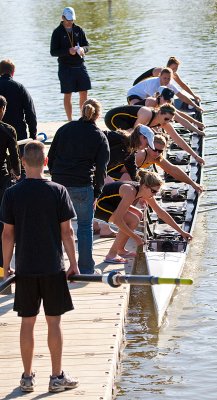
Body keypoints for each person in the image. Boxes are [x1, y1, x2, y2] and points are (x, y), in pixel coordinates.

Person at [0, 141, 80, 393]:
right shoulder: (58, 190)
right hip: (53, 267)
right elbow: (67, 233)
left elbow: (7, 236)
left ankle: (26, 377)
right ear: (46, 162)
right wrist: (74, 264)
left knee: (27, 323)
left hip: (25, 268)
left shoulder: (11, 193)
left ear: (23, 162)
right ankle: (56, 377)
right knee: (53, 323)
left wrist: (6, 267)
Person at [48, 99, 110, 274]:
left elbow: (51, 157)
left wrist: (55, 177)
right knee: (84, 226)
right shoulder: (99, 136)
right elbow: (101, 170)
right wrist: (97, 193)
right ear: (98, 115)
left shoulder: (64, 129)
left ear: (81, 110)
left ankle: (55, 267)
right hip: (82, 185)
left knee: (55, 227)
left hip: (58, 184)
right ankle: (85, 269)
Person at [95, 170, 193, 264]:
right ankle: (111, 255)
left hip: (111, 203)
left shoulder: (144, 191)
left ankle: (120, 249)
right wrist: (136, 238)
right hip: (98, 205)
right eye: (154, 191)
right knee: (132, 220)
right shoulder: (130, 191)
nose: (155, 194)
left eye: (157, 192)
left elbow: (161, 213)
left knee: (137, 216)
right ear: (145, 187)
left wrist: (182, 232)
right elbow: (118, 221)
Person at [94, 124, 156, 237]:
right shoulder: (117, 138)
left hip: (98, 170)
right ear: (142, 137)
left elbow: (134, 173)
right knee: (111, 189)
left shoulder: (130, 151)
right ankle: (104, 228)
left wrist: (142, 193)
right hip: (88, 167)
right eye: (147, 144)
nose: (146, 147)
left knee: (111, 186)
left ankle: (96, 225)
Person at [104, 103, 205, 165]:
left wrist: (195, 156)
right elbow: (135, 134)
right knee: (130, 138)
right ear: (160, 112)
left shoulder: (163, 121)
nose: (167, 122)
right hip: (113, 117)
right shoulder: (147, 114)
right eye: (166, 119)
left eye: (170, 120)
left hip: (128, 122)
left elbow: (178, 139)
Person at [107, 134, 204, 194]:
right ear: (149, 146)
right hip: (110, 172)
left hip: (122, 174)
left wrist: (192, 184)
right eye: (155, 149)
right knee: (132, 179)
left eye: (160, 151)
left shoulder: (157, 158)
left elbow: (173, 170)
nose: (156, 153)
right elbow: (125, 172)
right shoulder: (141, 155)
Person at [50, 7, 91, 121]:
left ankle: (84, 119)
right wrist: (68, 51)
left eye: (71, 20)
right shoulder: (57, 32)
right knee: (68, 94)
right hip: (65, 67)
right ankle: (70, 120)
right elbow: (53, 52)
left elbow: (87, 46)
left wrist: (83, 49)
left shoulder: (78, 29)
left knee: (84, 92)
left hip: (80, 65)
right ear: (62, 18)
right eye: (67, 20)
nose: (70, 22)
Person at [0, 95, 21, 267]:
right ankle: (2, 270)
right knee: (3, 224)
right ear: (2, 109)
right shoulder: (7, 130)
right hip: (1, 180)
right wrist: (18, 173)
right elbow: (14, 157)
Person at [127, 67, 203, 112]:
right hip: (134, 94)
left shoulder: (170, 85)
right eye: (164, 78)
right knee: (139, 109)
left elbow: (181, 96)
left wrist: (195, 106)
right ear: (160, 77)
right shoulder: (153, 83)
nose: (166, 80)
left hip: (146, 98)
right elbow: (149, 100)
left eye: (168, 78)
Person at [0, 59, 37, 150]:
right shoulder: (19, 87)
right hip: (17, 132)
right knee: (19, 161)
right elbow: (30, 113)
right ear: (13, 72)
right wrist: (33, 135)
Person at [135, 86, 205, 133]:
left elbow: (181, 118)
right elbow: (147, 123)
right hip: (133, 120)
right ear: (160, 96)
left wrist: (197, 125)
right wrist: (157, 133)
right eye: (165, 99)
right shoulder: (151, 102)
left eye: (168, 100)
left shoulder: (166, 105)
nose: (166, 102)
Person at [133, 56, 201, 102]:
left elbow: (182, 85)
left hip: (147, 91)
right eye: (173, 68)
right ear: (168, 66)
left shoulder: (172, 73)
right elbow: (153, 89)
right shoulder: (160, 72)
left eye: (176, 69)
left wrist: (194, 96)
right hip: (137, 88)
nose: (174, 71)